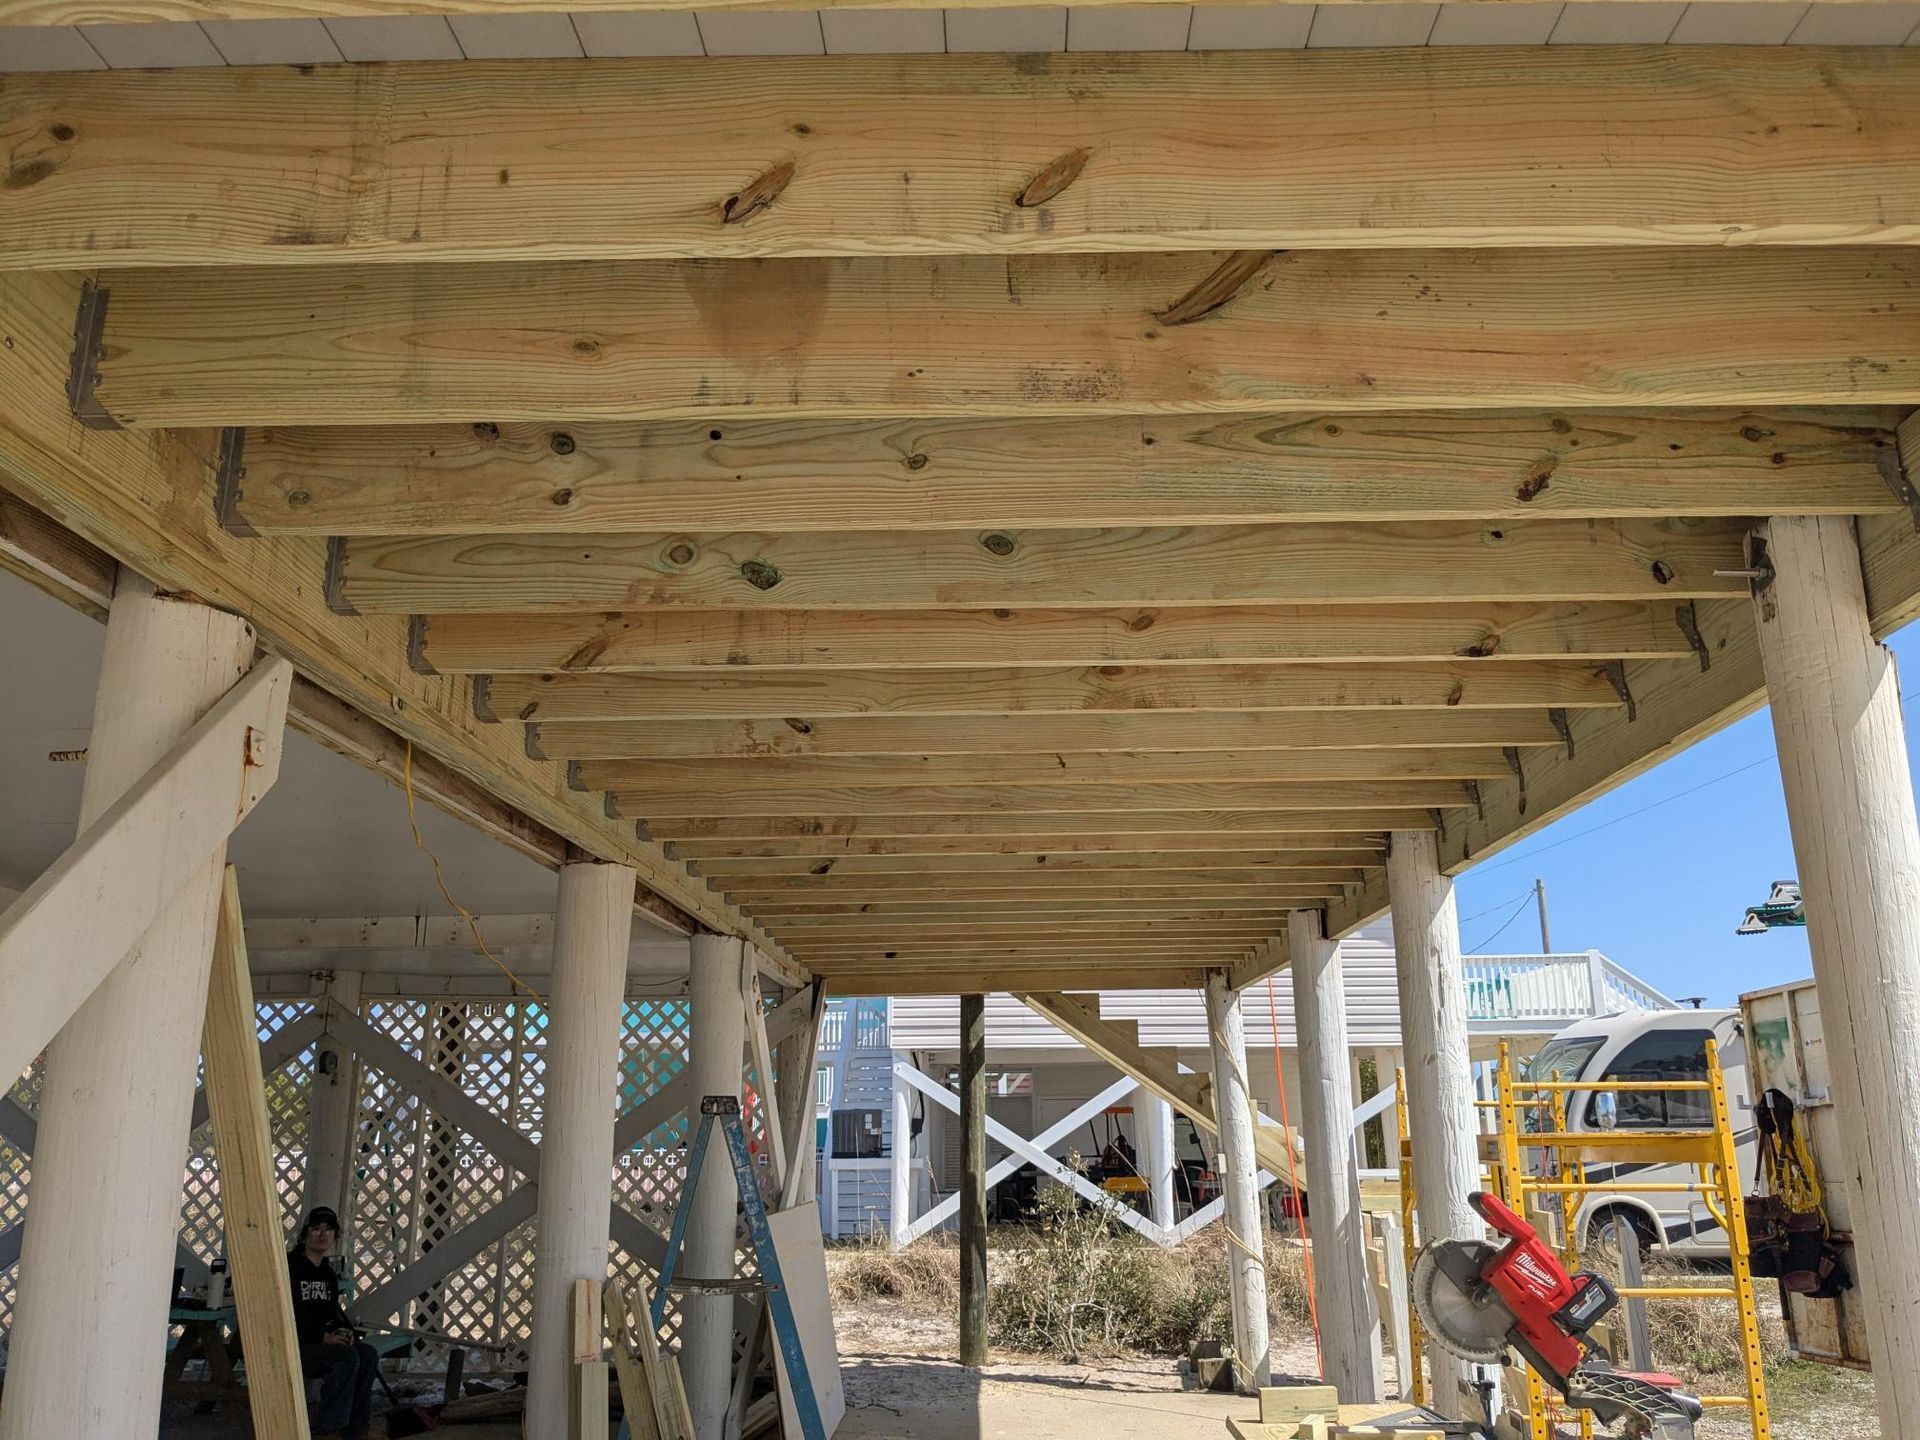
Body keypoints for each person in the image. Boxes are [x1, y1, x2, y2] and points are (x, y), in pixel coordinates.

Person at [288, 1206, 378, 1440]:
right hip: (296, 1344)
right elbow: (289, 1315)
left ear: (335, 1236)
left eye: (328, 1230)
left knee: (367, 1354)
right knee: (346, 1358)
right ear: (305, 1234)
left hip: (323, 1341)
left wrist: (342, 1332)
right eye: (316, 1229)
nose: (322, 1235)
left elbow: (329, 1314)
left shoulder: (327, 1274)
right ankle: (328, 1428)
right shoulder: (291, 1267)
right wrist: (322, 1337)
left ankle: (356, 1430)